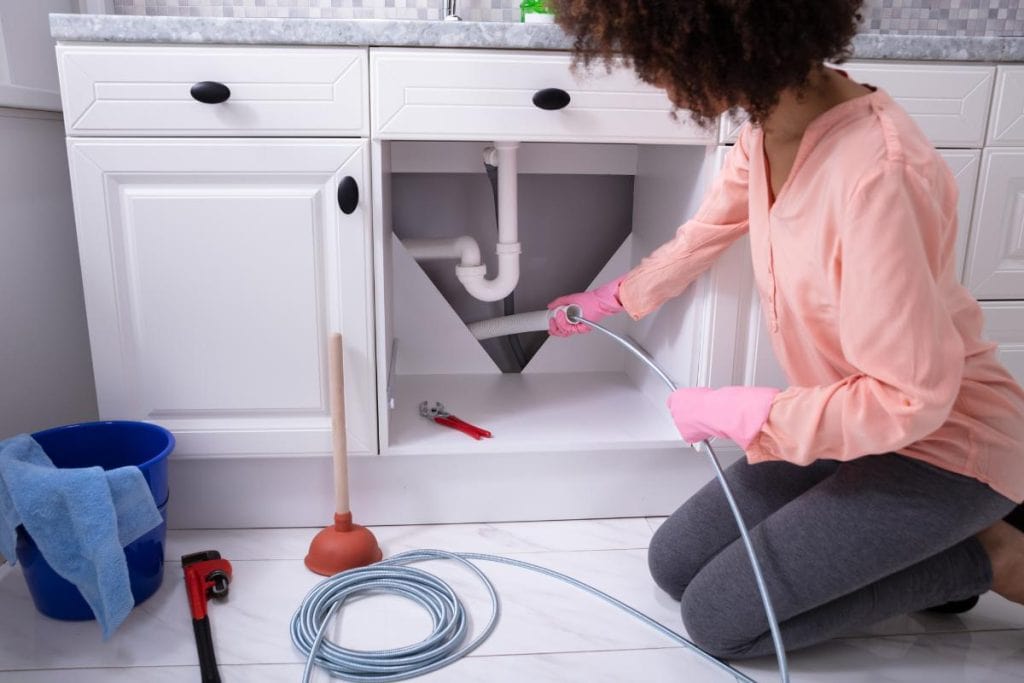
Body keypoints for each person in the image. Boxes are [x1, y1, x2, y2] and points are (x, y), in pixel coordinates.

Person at [545, 0, 1024, 660]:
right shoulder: (768, 127)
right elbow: (706, 233)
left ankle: (988, 552)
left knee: (719, 618)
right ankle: (911, 540)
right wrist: (613, 297)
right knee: (673, 562)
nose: (656, 78)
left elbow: (911, 398)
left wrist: (746, 411)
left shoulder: (880, 175)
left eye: (653, 59)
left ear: (706, 44)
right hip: (849, 421)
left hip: (948, 447)